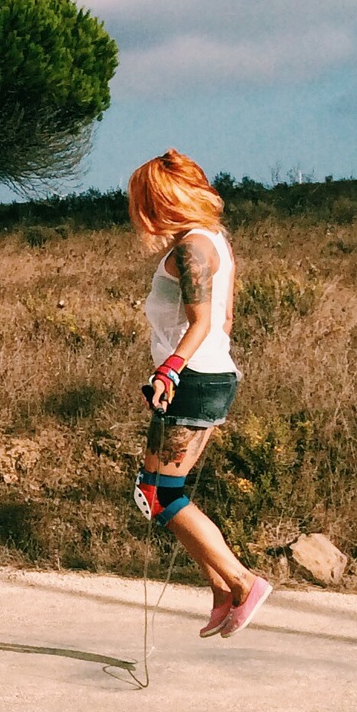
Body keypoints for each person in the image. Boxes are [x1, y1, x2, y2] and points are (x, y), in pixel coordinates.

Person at [126, 150, 271, 637]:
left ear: (163, 201)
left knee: (157, 494)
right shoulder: (215, 241)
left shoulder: (191, 249)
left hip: (192, 379)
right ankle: (221, 589)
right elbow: (225, 319)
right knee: (160, 494)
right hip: (209, 376)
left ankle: (242, 582)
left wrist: (170, 370)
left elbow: (203, 321)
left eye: (145, 203)